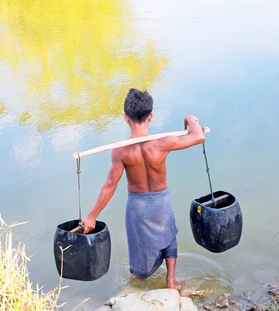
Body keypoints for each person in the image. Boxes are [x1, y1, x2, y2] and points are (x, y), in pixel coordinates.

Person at [81, 88, 205, 289]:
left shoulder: (120, 150)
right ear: (151, 117)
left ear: (125, 118)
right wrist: (191, 119)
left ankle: (140, 282)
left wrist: (92, 215)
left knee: (140, 248)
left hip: (137, 206)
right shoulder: (163, 142)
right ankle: (171, 281)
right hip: (161, 202)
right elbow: (198, 136)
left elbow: (110, 185)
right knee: (169, 237)